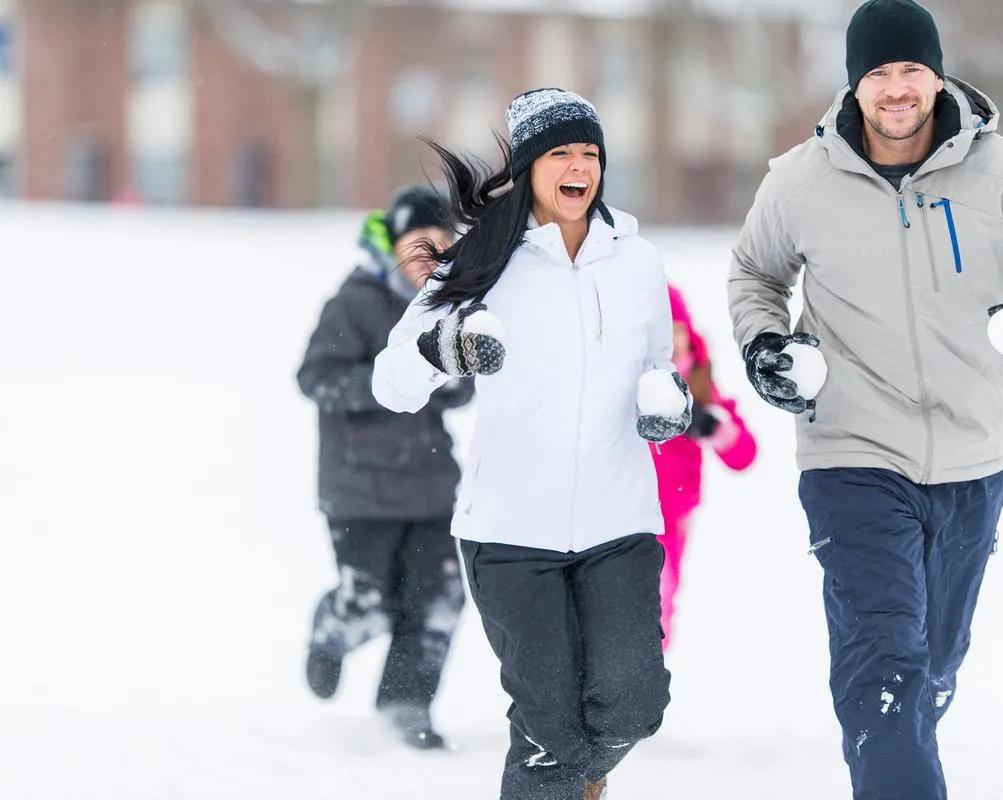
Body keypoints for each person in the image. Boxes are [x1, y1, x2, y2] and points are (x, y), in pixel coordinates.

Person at [726, 2, 1003, 797]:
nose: (896, 88)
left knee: (931, 668)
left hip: (971, 462)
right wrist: (763, 343)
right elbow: (754, 275)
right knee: (882, 671)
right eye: (878, 73)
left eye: (910, 69)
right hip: (849, 455)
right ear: (854, 85)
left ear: (937, 76)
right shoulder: (799, 180)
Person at [372, 88, 684, 800]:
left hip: (619, 523)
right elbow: (392, 385)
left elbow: (657, 365)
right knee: (550, 734)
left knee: (634, 706)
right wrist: (445, 345)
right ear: (527, 167)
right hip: (510, 534)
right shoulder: (480, 260)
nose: (579, 167)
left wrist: (667, 404)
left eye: (590, 153)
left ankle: (574, 781)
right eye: (560, 153)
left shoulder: (638, 261)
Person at [297, 186, 472, 750]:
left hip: (430, 487)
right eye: (419, 241)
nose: (430, 255)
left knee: (438, 599)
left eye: (442, 244)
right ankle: (336, 624)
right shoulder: (356, 302)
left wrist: (451, 374)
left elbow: (460, 390)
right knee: (372, 599)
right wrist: (386, 383)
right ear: (392, 243)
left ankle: (406, 702)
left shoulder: (446, 310)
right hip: (360, 489)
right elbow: (315, 377)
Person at [653, 285, 757, 650]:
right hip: (624, 514)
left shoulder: (699, 385)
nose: (669, 342)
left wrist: (712, 425)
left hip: (672, 520)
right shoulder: (633, 382)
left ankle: (648, 668)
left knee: (658, 606)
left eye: (674, 330)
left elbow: (744, 454)